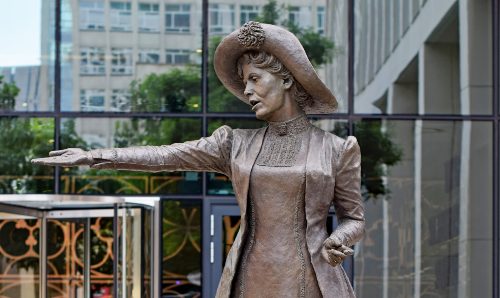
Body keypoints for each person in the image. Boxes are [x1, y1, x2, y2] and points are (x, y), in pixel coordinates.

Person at [32, 22, 364, 298]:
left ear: (287, 79)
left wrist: (340, 238)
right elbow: (165, 156)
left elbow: (355, 219)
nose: (247, 90)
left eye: (255, 79)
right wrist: (93, 156)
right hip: (251, 277)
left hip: (312, 280)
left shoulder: (337, 148)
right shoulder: (234, 143)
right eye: (244, 81)